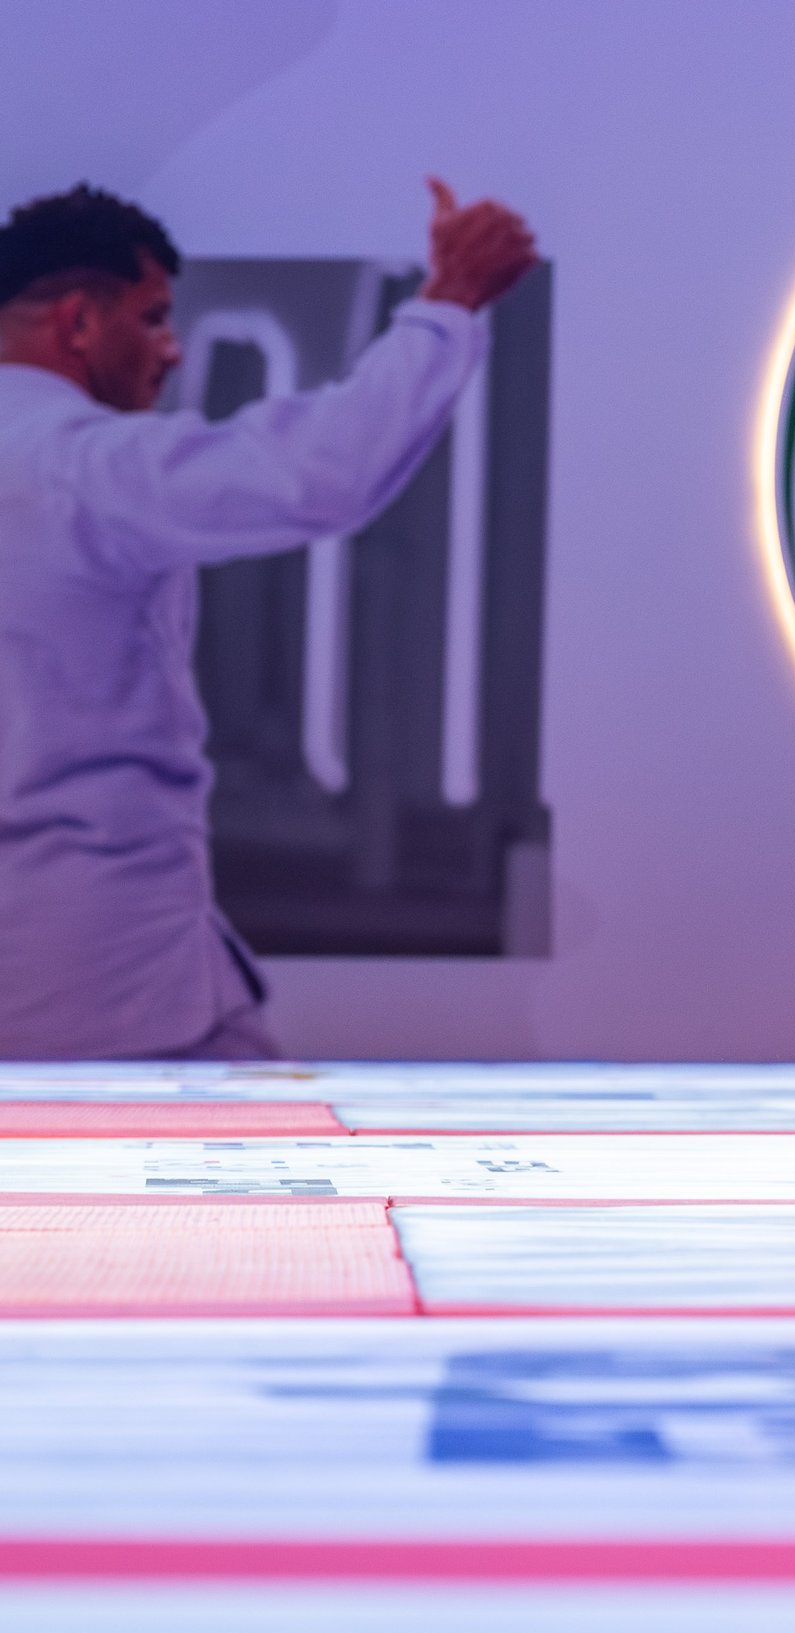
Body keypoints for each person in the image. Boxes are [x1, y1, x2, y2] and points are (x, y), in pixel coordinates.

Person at [0, 180, 537, 1060]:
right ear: (77, 324)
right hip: (105, 987)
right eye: (153, 317)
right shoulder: (82, 468)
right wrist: (447, 306)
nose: (172, 351)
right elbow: (319, 469)